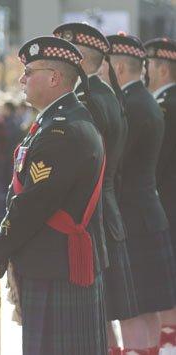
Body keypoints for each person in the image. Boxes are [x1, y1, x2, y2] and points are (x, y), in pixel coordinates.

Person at [0, 36, 108, 354]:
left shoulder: (62, 129)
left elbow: (35, 202)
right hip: (50, 260)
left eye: (29, 71)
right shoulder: (54, 122)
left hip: (57, 265)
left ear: (53, 78)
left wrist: (1, 245)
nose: (22, 79)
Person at [53, 23, 139, 355]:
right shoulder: (105, 94)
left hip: (88, 216)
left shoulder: (86, 99)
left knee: (90, 324)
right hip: (103, 211)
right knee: (100, 321)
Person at [101, 32, 176, 354]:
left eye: (104, 66)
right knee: (146, 309)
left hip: (133, 214)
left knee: (133, 310)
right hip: (148, 210)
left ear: (117, 67)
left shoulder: (132, 105)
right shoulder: (143, 101)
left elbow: (115, 166)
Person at [145, 37, 176, 350]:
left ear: (163, 71)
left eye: (150, 66)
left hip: (168, 205)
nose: (147, 72)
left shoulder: (164, 108)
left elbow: (153, 165)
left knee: (168, 287)